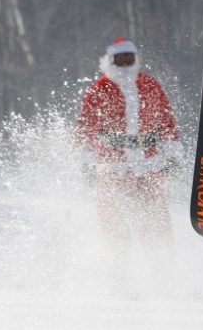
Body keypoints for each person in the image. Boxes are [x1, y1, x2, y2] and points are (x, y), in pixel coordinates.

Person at [75, 38, 182, 242]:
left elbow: (166, 120)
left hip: (149, 163)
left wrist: (172, 154)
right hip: (114, 165)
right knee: (114, 221)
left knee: (155, 218)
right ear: (111, 61)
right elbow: (85, 127)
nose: (125, 64)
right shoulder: (99, 89)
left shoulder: (150, 84)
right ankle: (117, 266)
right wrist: (86, 163)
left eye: (129, 59)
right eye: (120, 59)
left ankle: (161, 262)